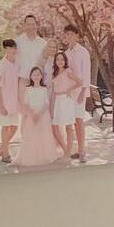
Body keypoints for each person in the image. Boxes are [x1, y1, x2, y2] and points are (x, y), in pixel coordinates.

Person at [16, 65, 62, 169]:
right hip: (31, 115)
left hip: (42, 115)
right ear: (31, 76)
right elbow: (26, 103)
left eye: (38, 74)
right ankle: (32, 157)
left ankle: (44, 156)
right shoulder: (28, 89)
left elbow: (46, 103)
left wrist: (39, 114)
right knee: (31, 136)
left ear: (41, 76)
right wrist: (32, 114)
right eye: (34, 74)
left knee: (43, 135)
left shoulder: (44, 89)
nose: (36, 76)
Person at [62, 24, 94, 160]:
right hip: (67, 92)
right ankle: (73, 150)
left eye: (71, 34)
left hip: (79, 92)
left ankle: (82, 152)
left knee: (79, 120)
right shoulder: (66, 53)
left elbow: (86, 74)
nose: (69, 36)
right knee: (70, 121)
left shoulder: (83, 52)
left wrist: (83, 92)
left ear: (77, 36)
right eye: (66, 34)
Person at [50, 49, 87, 163]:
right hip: (57, 101)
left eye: (62, 59)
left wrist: (69, 89)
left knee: (68, 127)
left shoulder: (67, 71)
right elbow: (53, 91)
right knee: (55, 126)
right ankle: (66, 150)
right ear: (55, 61)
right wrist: (51, 107)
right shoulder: (54, 73)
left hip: (66, 100)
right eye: (58, 59)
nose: (60, 61)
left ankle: (68, 152)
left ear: (65, 61)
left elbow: (80, 82)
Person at [0, 38, 21, 163]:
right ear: (6, 49)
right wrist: (2, 106)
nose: (13, 50)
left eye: (14, 48)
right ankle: (5, 153)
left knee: (14, 127)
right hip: (4, 102)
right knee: (5, 127)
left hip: (14, 102)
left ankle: (2, 147)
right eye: (10, 48)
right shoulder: (0, 67)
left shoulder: (17, 64)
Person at [13, 14, 47, 82]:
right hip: (22, 80)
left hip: (38, 82)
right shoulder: (17, 42)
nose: (31, 26)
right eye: (28, 24)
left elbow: (48, 61)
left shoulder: (43, 43)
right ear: (24, 26)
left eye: (33, 24)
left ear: (36, 25)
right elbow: (9, 59)